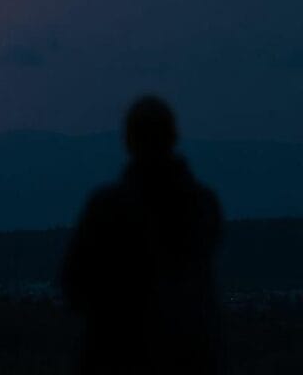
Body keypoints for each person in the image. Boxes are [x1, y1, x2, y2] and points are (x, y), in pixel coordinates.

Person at [60, 96, 224, 374]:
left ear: (127, 141)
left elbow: (73, 283)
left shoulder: (108, 207)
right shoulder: (204, 205)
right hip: (189, 354)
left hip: (118, 354)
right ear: (173, 137)